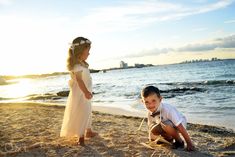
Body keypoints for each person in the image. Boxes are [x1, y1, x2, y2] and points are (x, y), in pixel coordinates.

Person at [60, 36, 97, 145]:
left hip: (85, 91)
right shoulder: (76, 66)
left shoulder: (82, 64)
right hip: (81, 93)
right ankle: (80, 136)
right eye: (87, 52)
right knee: (82, 112)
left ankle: (88, 131)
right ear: (80, 52)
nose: (89, 54)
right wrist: (85, 92)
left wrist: (87, 91)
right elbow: (79, 81)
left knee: (88, 111)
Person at [141, 85, 194, 151]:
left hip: (179, 124)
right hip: (164, 124)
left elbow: (180, 127)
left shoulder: (167, 109)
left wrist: (189, 143)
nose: (151, 105)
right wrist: (151, 138)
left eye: (153, 101)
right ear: (143, 102)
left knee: (166, 125)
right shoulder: (149, 112)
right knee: (153, 129)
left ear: (160, 99)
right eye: (147, 102)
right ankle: (168, 138)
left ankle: (179, 141)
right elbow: (150, 127)